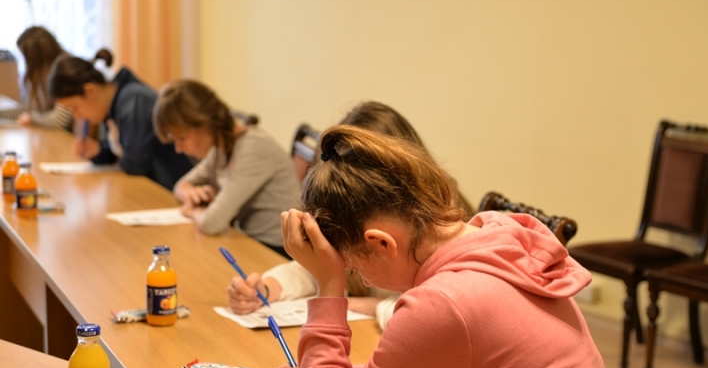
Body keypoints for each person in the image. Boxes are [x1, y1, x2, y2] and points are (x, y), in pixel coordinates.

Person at [273, 126, 621, 368]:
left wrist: (329, 287)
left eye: (353, 268)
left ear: (381, 243)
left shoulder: (443, 306)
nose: (362, 279)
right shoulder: (501, 238)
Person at [227, 101, 474, 327]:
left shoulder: (444, 223)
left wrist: (372, 305)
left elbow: (433, 315)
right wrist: (268, 288)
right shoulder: (356, 212)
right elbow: (324, 263)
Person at [152, 79, 299, 259]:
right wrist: (192, 194)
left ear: (204, 125)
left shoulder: (253, 147)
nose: (178, 148)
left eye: (181, 138)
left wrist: (195, 211)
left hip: (277, 252)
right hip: (246, 240)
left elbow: (211, 223)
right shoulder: (221, 146)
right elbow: (180, 186)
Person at [47, 49, 194, 190]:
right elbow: (118, 153)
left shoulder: (134, 101)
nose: (76, 115)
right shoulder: (111, 105)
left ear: (90, 91)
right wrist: (98, 151)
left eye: (74, 107)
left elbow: (135, 164)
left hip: (168, 191)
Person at [0, 26, 72, 130]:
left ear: (35, 57)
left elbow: (59, 120)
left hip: (64, 136)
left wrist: (32, 118)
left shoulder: (64, 70)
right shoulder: (43, 73)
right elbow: (29, 109)